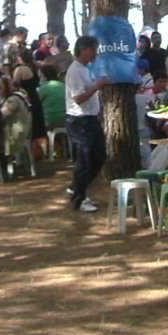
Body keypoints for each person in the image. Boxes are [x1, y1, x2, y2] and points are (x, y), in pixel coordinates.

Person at [65, 36, 108, 213]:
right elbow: (78, 97)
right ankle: (79, 198)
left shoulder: (85, 69)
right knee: (85, 161)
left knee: (99, 156)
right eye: (93, 50)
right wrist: (98, 86)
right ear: (83, 50)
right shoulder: (75, 71)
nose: (95, 53)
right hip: (80, 121)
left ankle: (77, 186)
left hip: (90, 119)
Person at [38, 64, 66, 132]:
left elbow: (37, 104)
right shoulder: (63, 85)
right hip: (66, 118)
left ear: (44, 76)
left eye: (40, 76)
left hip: (49, 120)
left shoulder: (42, 89)